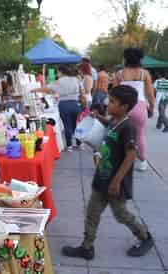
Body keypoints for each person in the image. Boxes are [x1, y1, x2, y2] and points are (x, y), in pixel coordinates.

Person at [62, 85, 154, 260]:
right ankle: (87, 247)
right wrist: (98, 117)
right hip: (102, 179)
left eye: (112, 102)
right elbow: (108, 124)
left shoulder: (128, 128)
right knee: (92, 212)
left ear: (124, 107)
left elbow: (131, 155)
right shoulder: (115, 121)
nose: (107, 103)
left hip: (115, 183)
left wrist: (117, 180)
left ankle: (145, 237)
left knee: (121, 214)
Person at [113, 48, 155, 171]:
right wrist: (151, 108)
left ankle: (120, 160)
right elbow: (150, 94)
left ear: (125, 59)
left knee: (119, 134)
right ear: (140, 59)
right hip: (139, 106)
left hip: (122, 107)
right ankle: (142, 161)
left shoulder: (119, 74)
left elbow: (114, 93)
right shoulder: (144, 73)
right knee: (140, 134)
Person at [34, 65, 82, 151]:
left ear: (61, 72)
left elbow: (47, 89)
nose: (57, 74)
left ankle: (69, 145)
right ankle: (79, 143)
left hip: (64, 104)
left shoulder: (59, 81)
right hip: (75, 103)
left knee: (67, 125)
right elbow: (82, 91)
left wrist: (35, 90)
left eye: (58, 72)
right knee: (75, 125)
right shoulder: (76, 79)